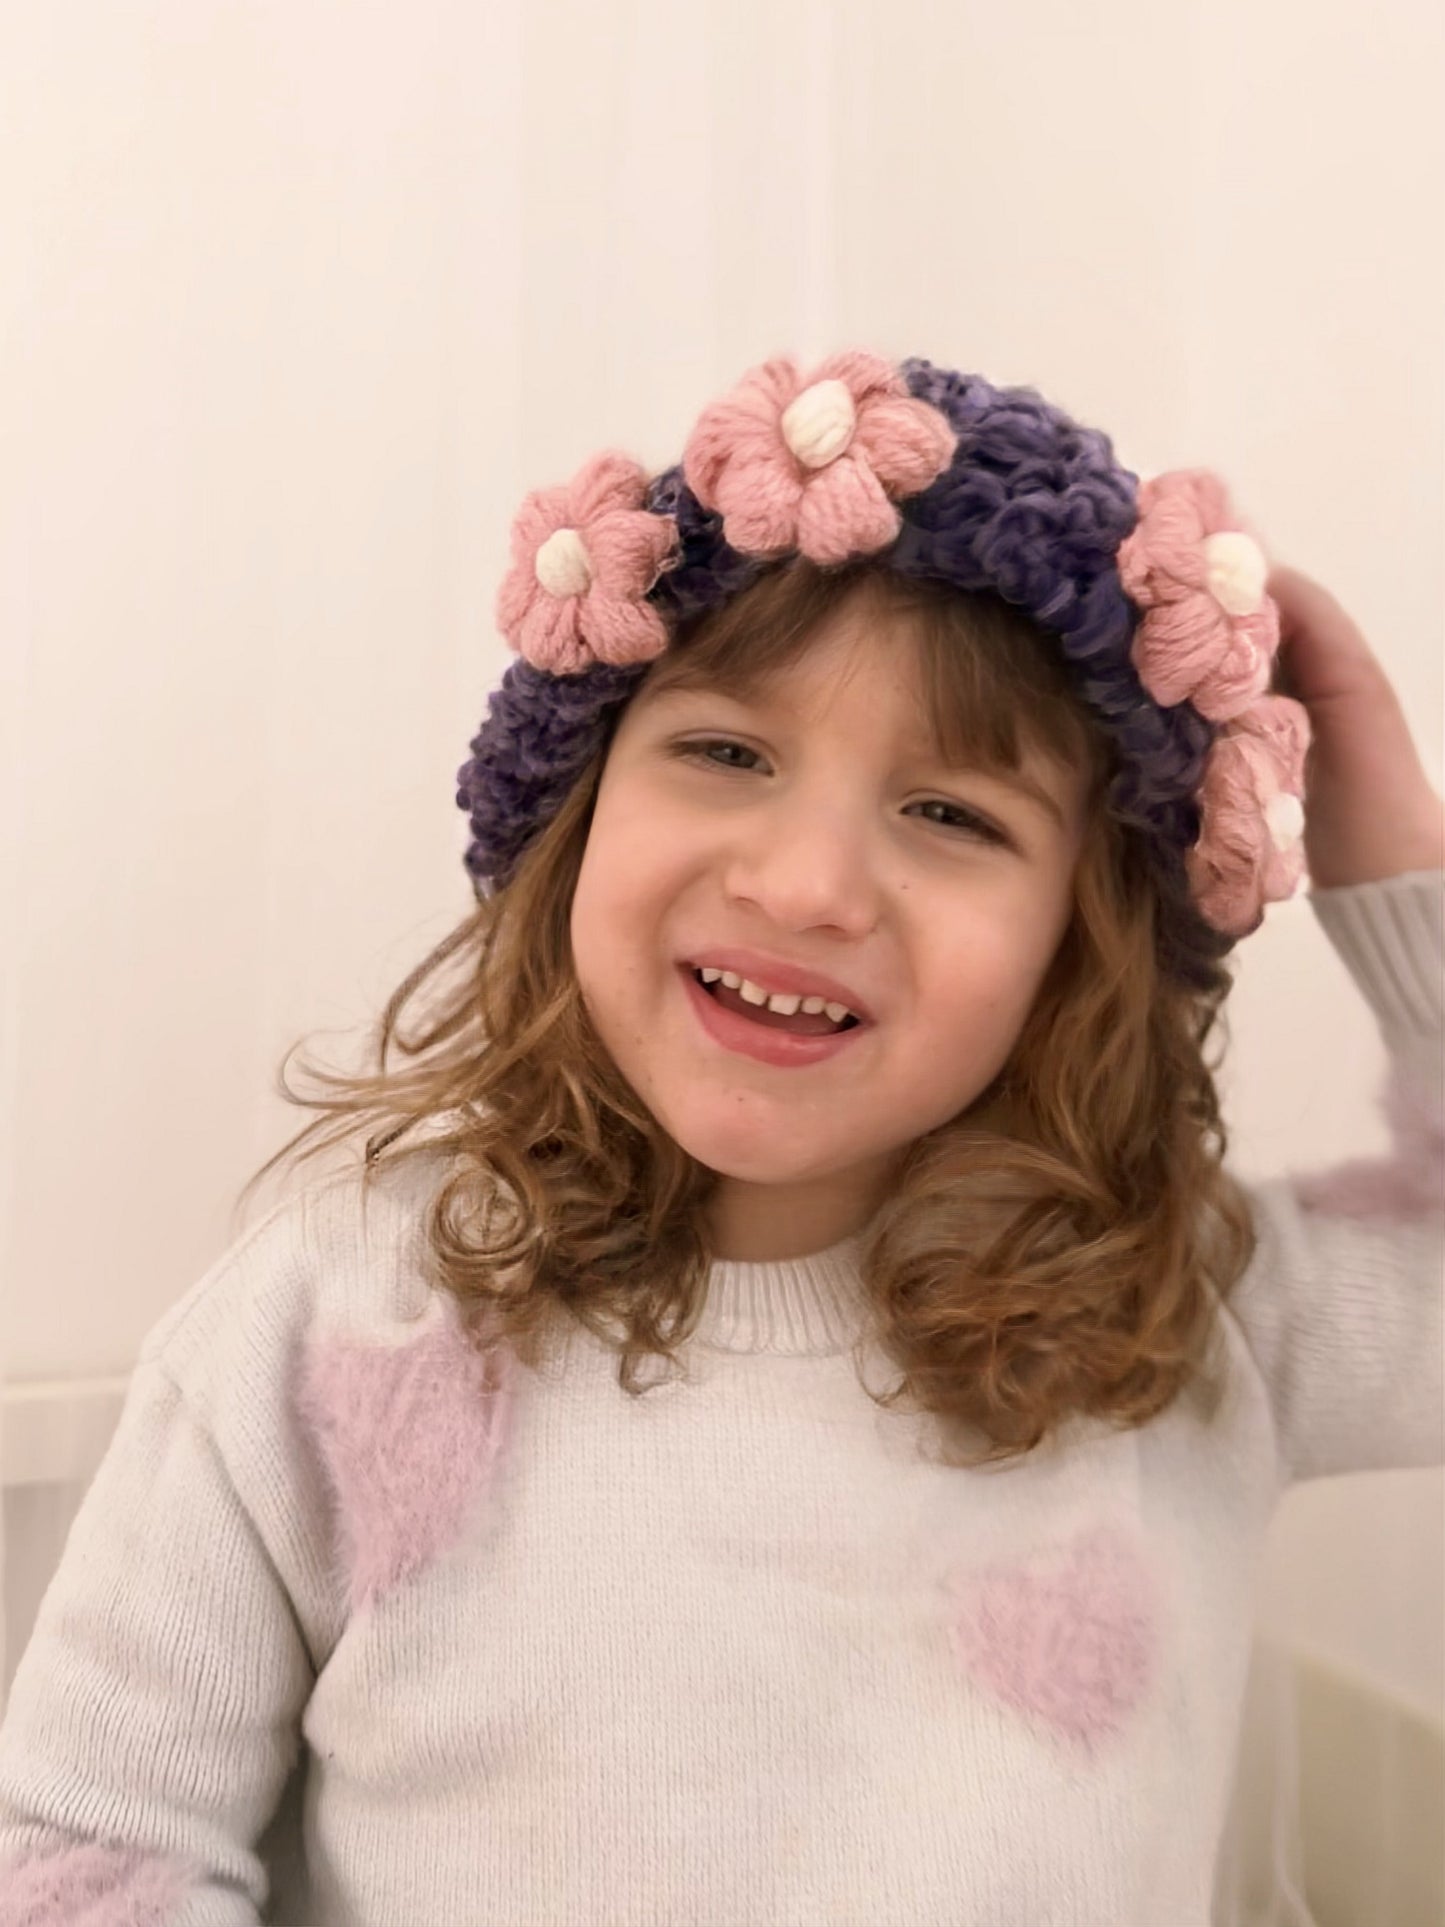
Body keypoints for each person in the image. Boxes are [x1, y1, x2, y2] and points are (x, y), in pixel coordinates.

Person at [1, 350, 1440, 1926]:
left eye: (952, 815)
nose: (806, 884)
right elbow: (92, 1847)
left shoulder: (1187, 1314)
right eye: (727, 754)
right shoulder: (335, 1322)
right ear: (575, 813)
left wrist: (1397, 849)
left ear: (1079, 942)